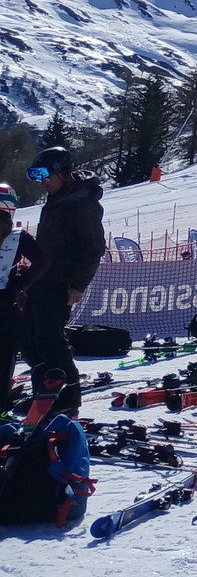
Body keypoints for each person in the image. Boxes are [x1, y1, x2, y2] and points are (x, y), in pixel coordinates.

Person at [16, 149, 106, 414]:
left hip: (61, 283)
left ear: (61, 172)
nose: (43, 182)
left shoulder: (82, 202)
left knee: (49, 338)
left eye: (45, 175)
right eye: (37, 177)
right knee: (27, 337)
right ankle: (44, 394)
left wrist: (78, 285)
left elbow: (94, 247)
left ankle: (67, 399)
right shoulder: (57, 198)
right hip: (42, 279)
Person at [0, 184, 42, 409]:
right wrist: (21, 282)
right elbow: (43, 261)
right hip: (6, 298)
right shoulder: (17, 236)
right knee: (8, 349)